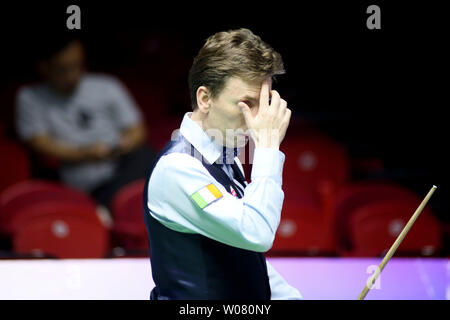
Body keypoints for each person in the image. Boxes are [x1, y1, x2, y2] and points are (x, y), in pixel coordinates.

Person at [143, 28, 302, 299]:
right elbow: (257, 233)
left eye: (262, 104)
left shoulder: (225, 157)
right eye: (245, 104)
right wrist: (267, 147)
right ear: (205, 98)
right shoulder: (178, 168)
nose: (256, 118)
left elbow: (244, 258)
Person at [15, 34, 154, 209]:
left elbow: (137, 130)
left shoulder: (107, 85)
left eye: (77, 66)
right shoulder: (29, 97)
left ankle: (108, 209)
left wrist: (124, 145)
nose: (72, 76)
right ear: (44, 67)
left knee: (147, 154)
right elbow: (39, 143)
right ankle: (105, 209)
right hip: (78, 180)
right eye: (63, 69)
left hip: (120, 165)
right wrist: (85, 154)